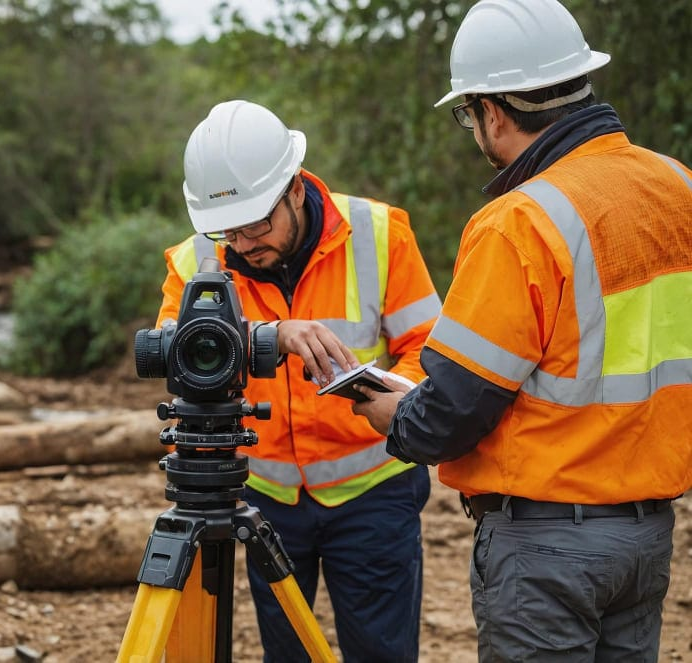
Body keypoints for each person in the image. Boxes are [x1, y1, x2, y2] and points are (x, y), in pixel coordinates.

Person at [351, 1, 692, 661]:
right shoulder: (678, 186)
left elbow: (450, 409)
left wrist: (395, 415)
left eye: (467, 114)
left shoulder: (522, 221)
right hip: (647, 534)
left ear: (493, 111)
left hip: (545, 547)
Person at [156, 99, 441, 662]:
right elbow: (172, 353)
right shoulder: (197, 261)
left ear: (292, 186)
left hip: (373, 491)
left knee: (380, 652)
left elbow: (427, 351)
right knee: (289, 655)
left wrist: (390, 401)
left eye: (256, 223)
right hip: (266, 496)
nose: (242, 243)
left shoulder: (379, 234)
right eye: (227, 230)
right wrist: (269, 334)